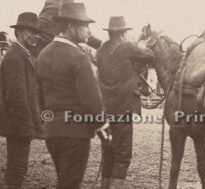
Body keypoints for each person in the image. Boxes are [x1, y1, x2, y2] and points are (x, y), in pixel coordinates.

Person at [36, 2, 110, 189]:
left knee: (64, 180)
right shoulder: (79, 57)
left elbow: (40, 97)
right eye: (84, 25)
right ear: (70, 27)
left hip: (52, 132)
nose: (88, 31)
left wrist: (48, 122)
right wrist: (104, 130)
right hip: (75, 134)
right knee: (70, 184)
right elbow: (91, 101)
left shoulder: (43, 55)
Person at [96, 16, 154, 189]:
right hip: (123, 110)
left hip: (106, 110)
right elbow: (150, 56)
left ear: (110, 32)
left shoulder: (101, 50)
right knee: (123, 155)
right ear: (122, 33)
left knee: (108, 152)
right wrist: (142, 45)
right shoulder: (128, 47)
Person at [0, 12, 42, 189]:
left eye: (37, 32)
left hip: (19, 125)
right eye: (31, 31)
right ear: (19, 32)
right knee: (16, 171)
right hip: (18, 126)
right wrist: (27, 127)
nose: (36, 36)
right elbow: (17, 97)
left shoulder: (21, 55)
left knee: (17, 170)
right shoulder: (15, 56)